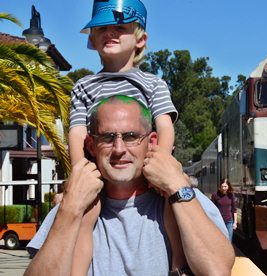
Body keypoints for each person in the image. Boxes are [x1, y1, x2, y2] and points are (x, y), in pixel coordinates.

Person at [25, 95, 235, 275]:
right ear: (91, 145)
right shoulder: (71, 208)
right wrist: (70, 209)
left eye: (131, 137)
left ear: (151, 142)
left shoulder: (186, 199)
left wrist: (177, 186)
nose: (119, 149)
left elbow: (217, 270)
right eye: (107, 137)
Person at [67, 0, 180, 273]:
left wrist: (160, 164)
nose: (110, 32)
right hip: (102, 170)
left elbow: (165, 125)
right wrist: (79, 171)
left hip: (146, 169)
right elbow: (77, 131)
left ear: (141, 39)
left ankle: (178, 262)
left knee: (173, 201)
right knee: (85, 213)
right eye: (102, 27)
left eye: (120, 27)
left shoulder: (153, 83)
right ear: (92, 39)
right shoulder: (84, 86)